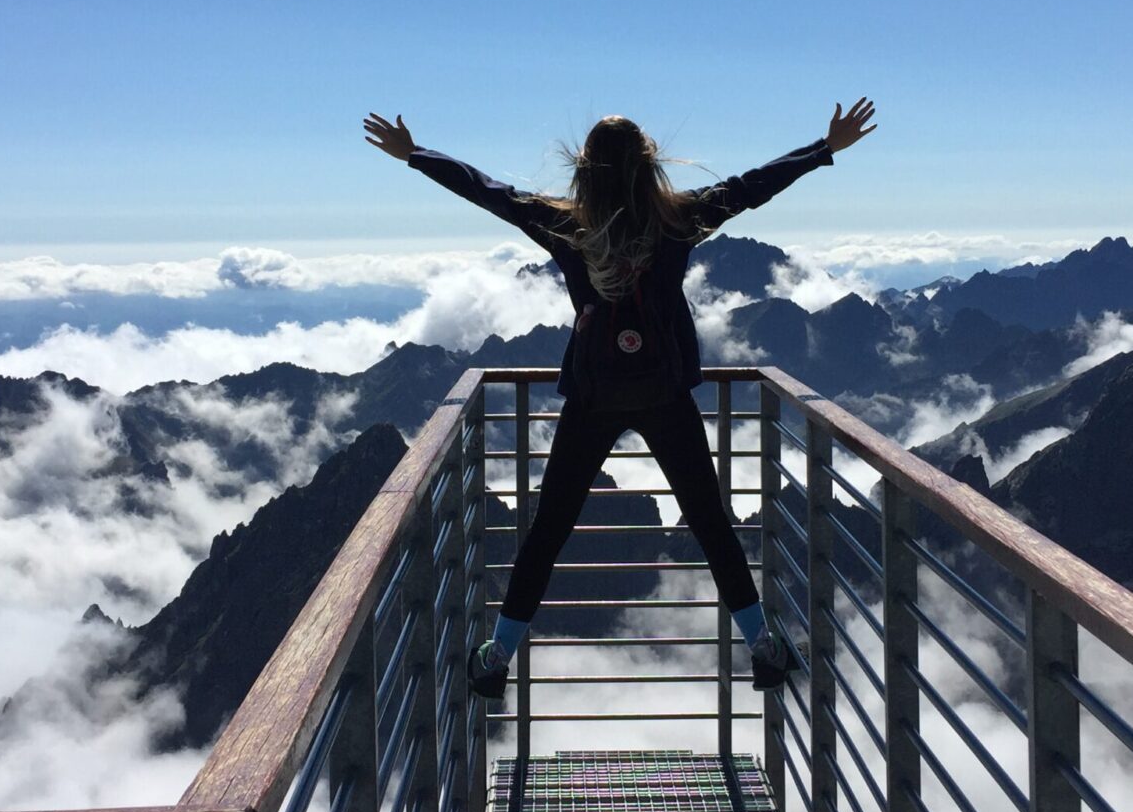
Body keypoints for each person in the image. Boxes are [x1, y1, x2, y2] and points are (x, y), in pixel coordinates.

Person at [362, 100, 878, 700]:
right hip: (664, 394)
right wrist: (824, 148)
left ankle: (498, 655)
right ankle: (763, 644)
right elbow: (751, 187)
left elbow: (489, 192)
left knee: (549, 528)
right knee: (711, 522)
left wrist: (416, 154)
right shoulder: (678, 220)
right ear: (648, 163)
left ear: (585, 169)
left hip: (593, 395)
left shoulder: (564, 225)